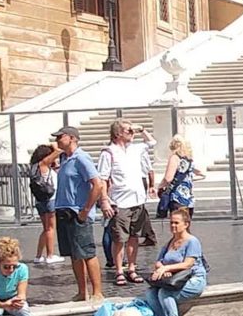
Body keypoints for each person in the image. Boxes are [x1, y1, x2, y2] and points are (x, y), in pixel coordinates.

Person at [97, 122, 156, 284]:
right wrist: (104, 201)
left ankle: (131, 268)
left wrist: (141, 129)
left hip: (137, 200)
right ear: (117, 134)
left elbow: (152, 142)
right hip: (120, 201)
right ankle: (118, 270)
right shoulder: (108, 152)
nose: (132, 132)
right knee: (119, 238)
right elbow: (103, 179)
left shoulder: (135, 149)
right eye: (128, 130)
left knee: (134, 237)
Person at [49, 127, 103, 302]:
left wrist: (86, 210)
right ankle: (82, 291)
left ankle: (97, 291)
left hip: (77, 211)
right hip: (63, 210)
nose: (57, 140)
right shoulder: (65, 158)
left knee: (87, 252)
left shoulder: (81, 158)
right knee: (74, 254)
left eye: (60, 137)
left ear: (72, 138)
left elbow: (98, 184)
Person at [147, 204, 207, 316]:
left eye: (176, 223)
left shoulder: (192, 241)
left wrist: (167, 268)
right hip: (175, 279)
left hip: (193, 279)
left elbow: (188, 264)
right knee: (150, 293)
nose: (173, 226)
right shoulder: (170, 242)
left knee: (165, 293)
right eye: (171, 223)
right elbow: (159, 261)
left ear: (186, 224)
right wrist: (163, 269)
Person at [28, 142, 59, 266]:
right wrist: (53, 146)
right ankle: (50, 255)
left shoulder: (34, 166)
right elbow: (58, 151)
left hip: (39, 200)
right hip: (50, 199)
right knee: (51, 228)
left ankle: (38, 255)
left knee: (46, 229)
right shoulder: (44, 164)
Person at [156, 135, 196, 218]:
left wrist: (160, 186)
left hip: (177, 197)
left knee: (177, 222)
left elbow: (168, 178)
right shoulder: (189, 160)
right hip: (189, 199)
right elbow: (201, 174)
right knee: (186, 222)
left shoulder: (175, 158)